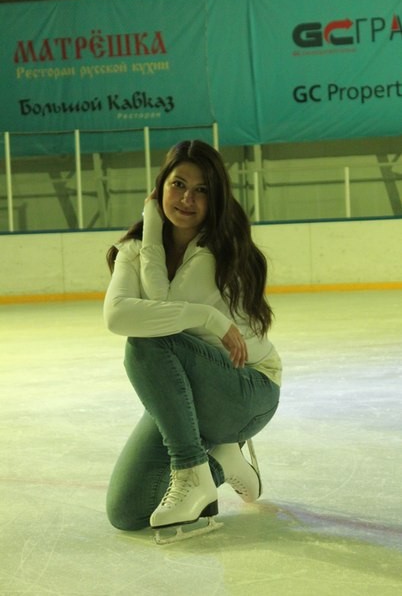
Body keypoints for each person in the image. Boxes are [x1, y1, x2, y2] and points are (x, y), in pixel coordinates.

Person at [103, 139, 281, 541]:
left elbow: (160, 305)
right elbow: (116, 316)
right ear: (159, 187)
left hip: (246, 389)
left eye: (201, 190)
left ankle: (193, 470)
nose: (187, 198)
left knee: (146, 341)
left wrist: (151, 223)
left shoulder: (219, 250)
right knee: (127, 512)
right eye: (178, 184)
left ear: (215, 199)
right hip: (185, 391)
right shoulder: (134, 250)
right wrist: (205, 316)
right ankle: (223, 461)